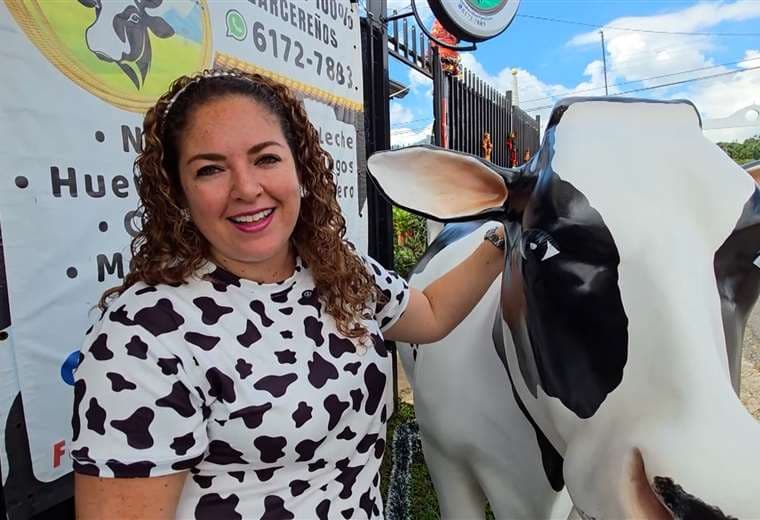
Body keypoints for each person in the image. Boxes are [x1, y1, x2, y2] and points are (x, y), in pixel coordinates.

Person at [71, 68, 506, 520]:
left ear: (300, 167)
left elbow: (431, 313)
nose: (246, 189)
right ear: (178, 192)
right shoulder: (142, 334)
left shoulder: (338, 269)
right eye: (210, 169)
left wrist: (507, 232)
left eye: (266, 159)